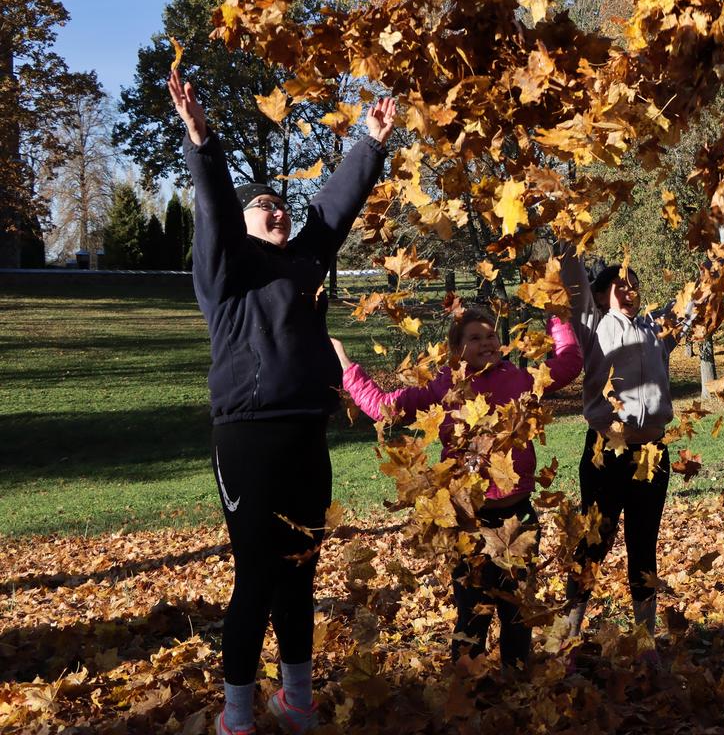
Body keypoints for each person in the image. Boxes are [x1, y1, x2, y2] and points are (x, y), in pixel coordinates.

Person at [169, 69, 392, 735]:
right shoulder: (225, 272)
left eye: (278, 202)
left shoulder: (303, 264)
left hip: (305, 438)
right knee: (257, 576)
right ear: (242, 225)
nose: (275, 207)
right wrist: (202, 141)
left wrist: (371, 144)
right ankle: (237, 715)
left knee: (299, 572)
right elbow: (212, 209)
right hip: (248, 437)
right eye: (261, 204)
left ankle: (298, 703)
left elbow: (330, 211)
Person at [331, 308, 581, 666]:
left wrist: (557, 317)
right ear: (456, 350)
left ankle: (518, 683)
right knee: (472, 615)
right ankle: (468, 688)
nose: (486, 343)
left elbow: (569, 363)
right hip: (469, 522)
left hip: (518, 515)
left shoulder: (521, 378)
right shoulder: (444, 385)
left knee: (517, 612)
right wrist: (346, 365)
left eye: (490, 336)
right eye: (474, 338)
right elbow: (386, 407)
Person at [556, 245, 682, 645]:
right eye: (620, 286)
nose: (630, 291)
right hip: (605, 454)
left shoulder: (654, 329)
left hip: (652, 454)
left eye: (635, 285)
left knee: (643, 548)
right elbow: (574, 282)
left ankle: (644, 640)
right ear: (601, 295)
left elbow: (694, 301)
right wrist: (567, 241)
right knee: (592, 546)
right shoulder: (593, 325)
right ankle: (569, 637)